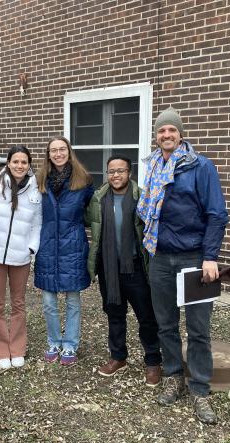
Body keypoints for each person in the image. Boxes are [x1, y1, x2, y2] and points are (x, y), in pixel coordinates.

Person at [137, 107, 228, 424]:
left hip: (193, 258)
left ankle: (200, 388)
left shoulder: (201, 167)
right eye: (161, 131)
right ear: (156, 136)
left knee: (199, 329)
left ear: (180, 134)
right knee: (165, 324)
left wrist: (210, 256)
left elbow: (217, 214)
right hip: (160, 257)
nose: (166, 135)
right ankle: (174, 376)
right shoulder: (151, 168)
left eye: (172, 130)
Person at [86, 155, 163, 386]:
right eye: (111, 171)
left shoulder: (141, 197)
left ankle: (153, 362)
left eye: (120, 171)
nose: (115, 175)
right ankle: (118, 357)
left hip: (136, 267)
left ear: (129, 173)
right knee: (115, 315)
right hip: (109, 268)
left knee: (147, 318)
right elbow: (88, 225)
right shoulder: (98, 199)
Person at [34, 136, 94, 366]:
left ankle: (70, 344)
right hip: (47, 245)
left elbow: (93, 213)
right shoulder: (39, 180)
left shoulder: (84, 180)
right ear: (48, 155)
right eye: (53, 151)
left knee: (72, 300)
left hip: (73, 246)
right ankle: (53, 341)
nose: (58, 154)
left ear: (69, 152)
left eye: (62, 149)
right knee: (49, 300)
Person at [0, 145, 42, 370]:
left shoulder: (36, 194)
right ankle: (0, 350)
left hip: (21, 257)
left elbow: (38, 224)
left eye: (24, 162)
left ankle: (17, 348)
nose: (19, 166)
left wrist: (31, 248)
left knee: (19, 303)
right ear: (8, 163)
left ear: (29, 166)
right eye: (15, 161)